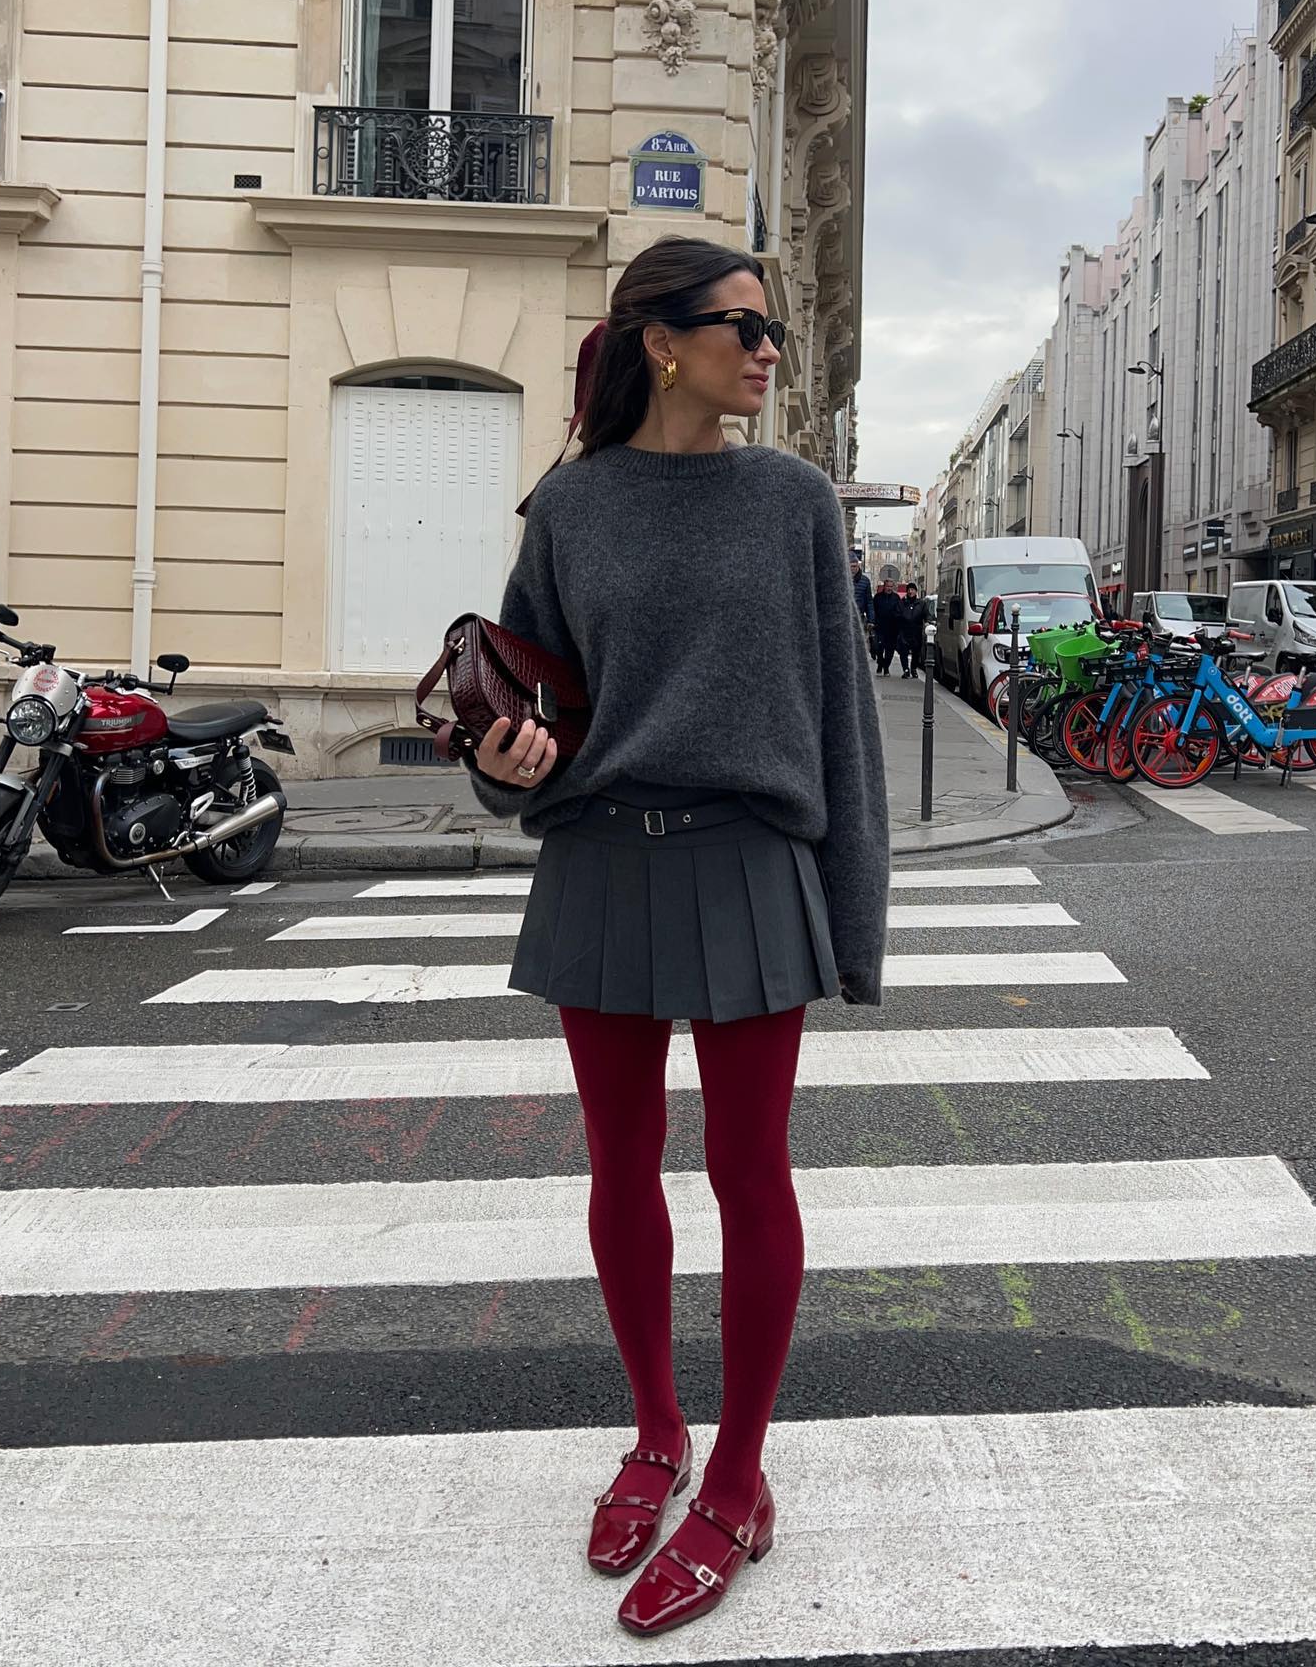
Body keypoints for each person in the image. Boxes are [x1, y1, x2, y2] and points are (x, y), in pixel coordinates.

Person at [466, 235, 889, 1640]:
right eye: (741, 327)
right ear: (661, 341)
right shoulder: (571, 507)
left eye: (772, 331)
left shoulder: (794, 502)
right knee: (619, 1166)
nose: (766, 351)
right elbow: (521, 694)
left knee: (749, 1173)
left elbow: (844, 722)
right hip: (599, 858)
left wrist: (857, 923)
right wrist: (505, 769)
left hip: (750, 862)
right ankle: (657, 1435)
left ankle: (741, 1482)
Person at [871, 570, 902, 677]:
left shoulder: (896, 598)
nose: (889, 588)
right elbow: (873, 610)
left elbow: (899, 611)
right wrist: (873, 621)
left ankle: (886, 667)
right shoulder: (878, 597)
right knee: (879, 648)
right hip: (880, 627)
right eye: (887, 586)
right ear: (884, 586)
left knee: (890, 650)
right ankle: (880, 663)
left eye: (891, 586)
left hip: (892, 628)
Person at [898, 582, 927, 678]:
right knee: (903, 651)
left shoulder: (921, 603)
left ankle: (913, 668)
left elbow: (926, 615)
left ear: (916, 591)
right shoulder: (902, 602)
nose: (911, 592)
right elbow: (897, 614)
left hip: (916, 631)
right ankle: (906, 669)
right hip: (904, 630)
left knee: (916, 651)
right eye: (909, 590)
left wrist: (927, 622)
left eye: (912, 590)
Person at [849, 549, 874, 642]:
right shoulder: (842, 579)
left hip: (859, 618)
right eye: (851, 566)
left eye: (855, 566)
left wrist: (871, 620)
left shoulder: (865, 581)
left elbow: (869, 602)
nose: (853, 569)